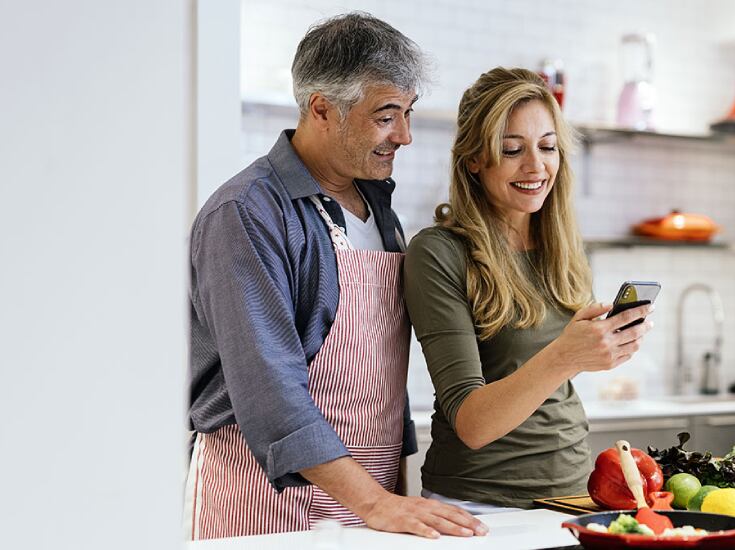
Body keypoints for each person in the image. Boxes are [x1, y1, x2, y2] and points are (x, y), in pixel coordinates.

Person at [186, 13, 486, 540]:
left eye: (408, 113)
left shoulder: (378, 206)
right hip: (265, 498)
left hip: (375, 490)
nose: (406, 136)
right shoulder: (246, 213)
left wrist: (390, 492)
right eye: (386, 116)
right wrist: (374, 502)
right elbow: (268, 392)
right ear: (322, 108)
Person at [403, 67, 653, 511]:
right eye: (512, 149)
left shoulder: (562, 246)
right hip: (479, 505)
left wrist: (603, 346)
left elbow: (555, 384)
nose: (536, 166)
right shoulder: (439, 253)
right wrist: (566, 356)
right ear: (474, 159)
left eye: (548, 147)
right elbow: (471, 423)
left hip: (577, 492)